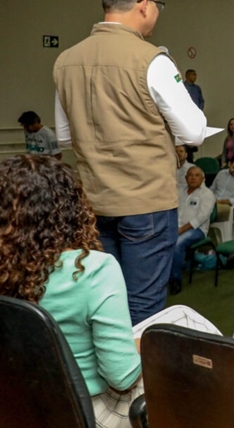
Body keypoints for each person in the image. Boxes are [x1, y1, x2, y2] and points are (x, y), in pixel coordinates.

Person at [0, 155, 219, 428]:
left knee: (180, 314)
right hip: (89, 412)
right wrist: (145, 348)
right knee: (190, 332)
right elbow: (122, 377)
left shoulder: (8, 270)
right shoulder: (93, 270)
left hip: (26, 406)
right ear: (69, 207)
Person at [53, 0, 207, 324]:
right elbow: (194, 132)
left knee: (106, 302)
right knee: (144, 308)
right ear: (143, 4)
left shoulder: (66, 61)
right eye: (158, 3)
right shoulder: (151, 60)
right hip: (146, 203)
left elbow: (64, 137)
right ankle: (137, 380)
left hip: (94, 202)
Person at [168, 166, 216, 294]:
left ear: (203, 178)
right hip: (175, 227)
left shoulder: (207, 194)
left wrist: (181, 230)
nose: (193, 177)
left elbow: (201, 218)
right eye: (190, 175)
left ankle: (175, 280)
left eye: (196, 175)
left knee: (177, 244)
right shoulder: (179, 192)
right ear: (186, 178)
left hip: (197, 230)